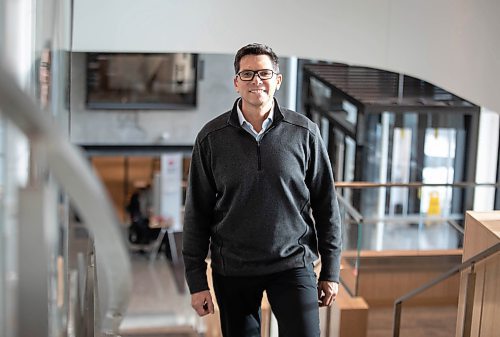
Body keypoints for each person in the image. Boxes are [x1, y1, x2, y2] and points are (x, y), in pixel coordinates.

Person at [182, 43, 342, 337]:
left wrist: (331, 271)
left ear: (277, 80)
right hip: (233, 268)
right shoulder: (211, 139)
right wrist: (196, 281)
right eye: (247, 74)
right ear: (236, 83)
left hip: (293, 263)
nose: (257, 80)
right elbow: (197, 213)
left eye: (264, 73)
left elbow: (326, 206)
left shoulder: (305, 133)